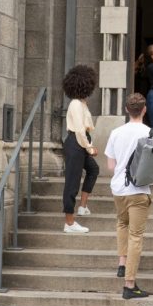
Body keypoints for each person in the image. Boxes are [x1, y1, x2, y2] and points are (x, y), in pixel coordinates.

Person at [105, 92, 153, 299]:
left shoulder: (115, 132)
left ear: (126, 109)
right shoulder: (152, 133)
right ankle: (129, 285)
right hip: (139, 191)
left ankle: (122, 263)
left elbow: (110, 166)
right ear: (144, 110)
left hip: (118, 190)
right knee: (136, 236)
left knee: (122, 224)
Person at [62, 65, 99, 234]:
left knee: (93, 169)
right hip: (76, 143)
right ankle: (69, 223)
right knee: (72, 183)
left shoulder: (82, 103)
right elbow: (79, 130)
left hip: (80, 143)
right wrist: (89, 147)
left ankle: (82, 206)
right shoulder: (76, 104)